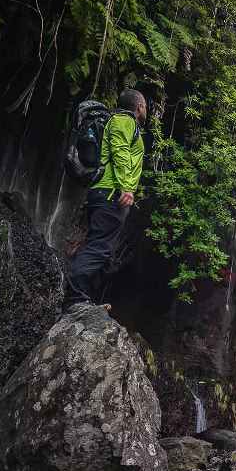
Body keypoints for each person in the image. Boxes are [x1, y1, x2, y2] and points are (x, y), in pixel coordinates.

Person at [64, 88, 147, 311]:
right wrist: (127, 188)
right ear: (139, 106)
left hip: (105, 191)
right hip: (110, 192)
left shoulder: (122, 122)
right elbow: (120, 152)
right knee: (99, 247)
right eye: (145, 105)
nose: (145, 109)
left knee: (102, 248)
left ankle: (83, 298)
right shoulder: (124, 121)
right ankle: (74, 299)